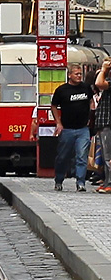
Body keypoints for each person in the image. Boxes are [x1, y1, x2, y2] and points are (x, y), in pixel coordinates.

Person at [52, 64, 96, 192]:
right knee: (63, 157)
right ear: (69, 75)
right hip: (67, 129)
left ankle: (80, 182)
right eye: (76, 74)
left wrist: (91, 113)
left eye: (80, 74)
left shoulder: (86, 87)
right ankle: (59, 179)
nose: (79, 76)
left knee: (81, 156)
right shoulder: (62, 90)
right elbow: (54, 105)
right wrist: (58, 123)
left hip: (83, 128)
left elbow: (91, 100)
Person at [94, 58, 111, 194]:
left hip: (108, 123)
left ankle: (110, 183)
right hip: (104, 123)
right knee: (106, 156)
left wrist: (104, 70)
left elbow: (98, 83)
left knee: (108, 156)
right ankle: (106, 181)